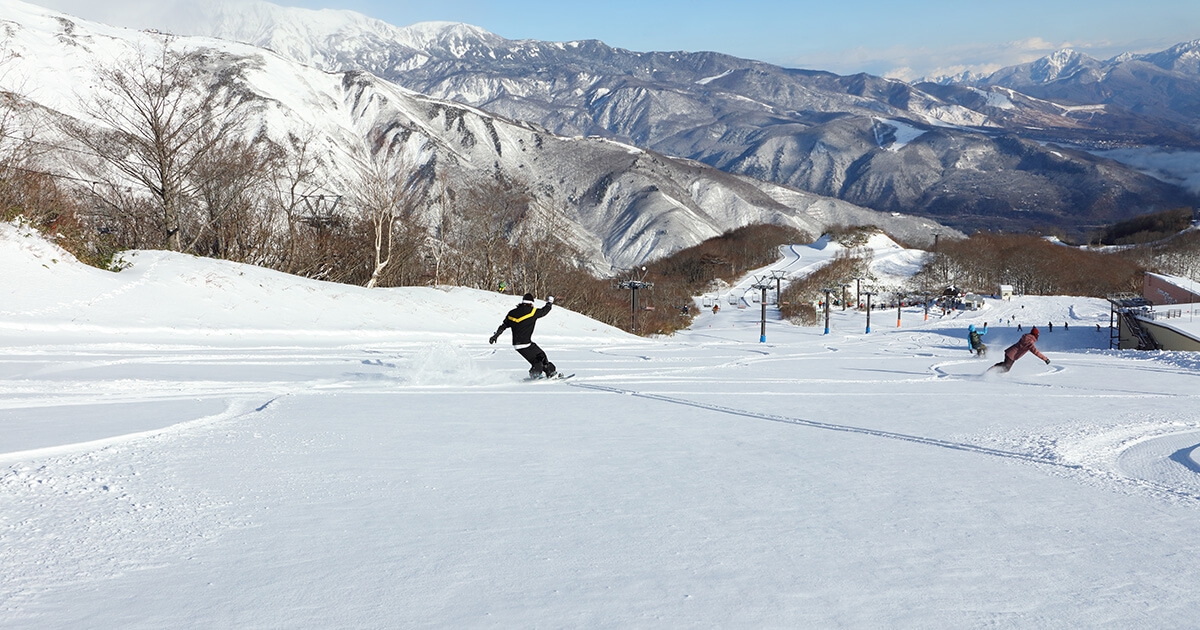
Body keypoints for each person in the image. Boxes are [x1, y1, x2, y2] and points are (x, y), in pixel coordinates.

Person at [490, 293, 557, 379]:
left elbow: (504, 325)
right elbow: (545, 311)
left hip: (518, 344)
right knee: (538, 360)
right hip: (525, 344)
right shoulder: (532, 312)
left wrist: (495, 336)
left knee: (541, 355)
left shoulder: (512, 313)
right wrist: (550, 302)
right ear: (531, 303)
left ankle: (548, 372)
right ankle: (537, 374)